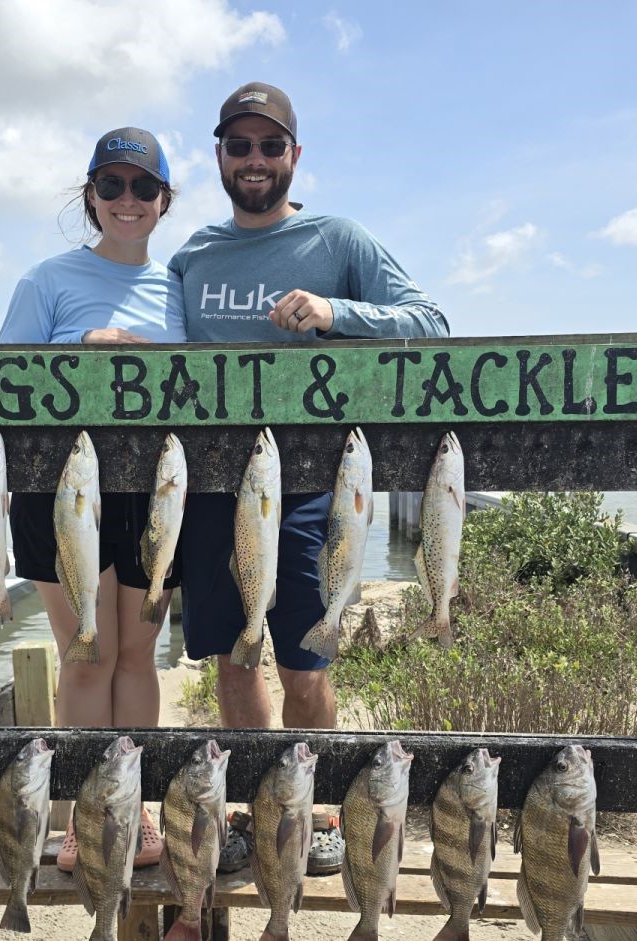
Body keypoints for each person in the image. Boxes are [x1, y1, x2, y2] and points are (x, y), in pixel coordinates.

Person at [167, 82, 449, 874]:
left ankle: (314, 809)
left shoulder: (340, 239)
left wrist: (336, 312)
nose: (254, 160)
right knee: (234, 657)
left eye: (269, 145)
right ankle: (251, 808)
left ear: (295, 155)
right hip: (213, 494)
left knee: (306, 662)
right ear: (219, 156)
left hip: (314, 493)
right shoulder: (192, 255)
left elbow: (431, 321)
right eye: (239, 145)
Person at [0, 126, 184, 872]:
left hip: (152, 495)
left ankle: (130, 810)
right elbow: (3, 384)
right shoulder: (46, 282)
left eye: (143, 187)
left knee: (138, 655)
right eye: (112, 186)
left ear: (163, 201)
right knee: (87, 655)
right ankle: (81, 814)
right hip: (59, 490)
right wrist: (79, 355)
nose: (127, 200)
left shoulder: (179, 289)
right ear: (91, 197)